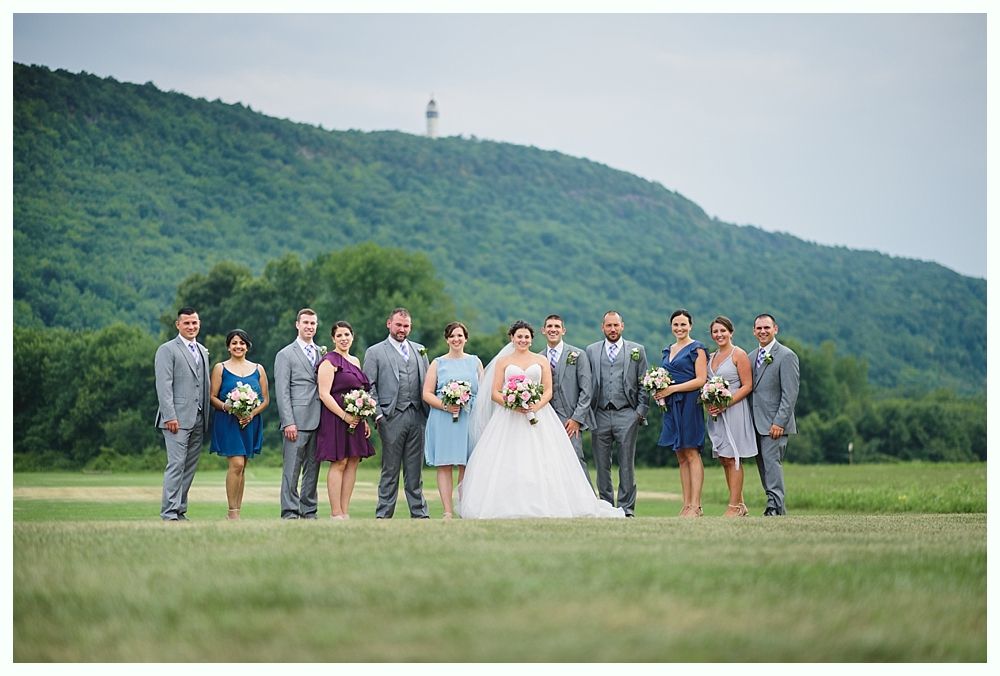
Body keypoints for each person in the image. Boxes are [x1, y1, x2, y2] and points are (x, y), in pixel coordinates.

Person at [460, 321, 624, 519]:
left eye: (526, 337)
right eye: (519, 336)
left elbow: (547, 390)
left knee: (544, 460)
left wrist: (534, 406)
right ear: (512, 338)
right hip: (509, 416)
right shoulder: (503, 362)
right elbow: (495, 392)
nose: (523, 340)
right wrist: (513, 403)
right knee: (509, 459)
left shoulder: (541, 359)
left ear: (531, 339)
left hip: (539, 414)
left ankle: (547, 503)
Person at [363, 307, 431, 519]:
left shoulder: (420, 350)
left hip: (418, 415)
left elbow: (428, 382)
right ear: (389, 324)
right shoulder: (375, 352)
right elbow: (368, 386)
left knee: (415, 471)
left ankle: (419, 514)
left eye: (406, 326)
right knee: (390, 469)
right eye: (399, 325)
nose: (402, 329)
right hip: (391, 417)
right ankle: (384, 514)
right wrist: (379, 415)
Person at [585, 311, 649, 517]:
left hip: (627, 413)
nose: (612, 329)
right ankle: (605, 507)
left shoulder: (637, 350)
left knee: (626, 464)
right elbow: (586, 382)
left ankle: (626, 509)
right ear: (602, 327)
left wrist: (640, 411)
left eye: (616, 325)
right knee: (602, 465)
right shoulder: (591, 350)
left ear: (622, 326)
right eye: (608, 326)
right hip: (600, 414)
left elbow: (644, 382)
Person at [422, 321, 484, 519]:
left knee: (467, 464)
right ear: (446, 339)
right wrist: (446, 405)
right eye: (452, 336)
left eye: (460, 335)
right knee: (445, 464)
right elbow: (427, 393)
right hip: (443, 418)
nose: (456, 339)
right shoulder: (437, 363)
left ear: (466, 338)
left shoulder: (475, 362)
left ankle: (464, 508)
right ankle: (447, 510)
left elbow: (482, 394)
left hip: (469, 417)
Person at [154, 306, 211, 521]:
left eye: (194, 322)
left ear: (199, 324)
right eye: (186, 323)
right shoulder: (167, 350)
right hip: (176, 419)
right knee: (176, 465)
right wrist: (170, 416)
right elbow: (164, 385)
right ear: (178, 324)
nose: (191, 326)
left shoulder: (203, 351)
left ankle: (179, 510)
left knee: (189, 467)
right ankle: (169, 513)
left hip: (198, 418)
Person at [316, 321, 376, 520]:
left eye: (347, 335)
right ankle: (335, 513)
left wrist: (363, 419)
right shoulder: (329, 361)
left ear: (352, 336)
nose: (343, 339)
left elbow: (359, 392)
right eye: (339, 335)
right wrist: (344, 416)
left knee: (352, 462)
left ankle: (345, 511)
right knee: (339, 462)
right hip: (335, 418)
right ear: (333, 339)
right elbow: (324, 394)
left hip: (356, 419)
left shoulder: (355, 361)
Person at [209, 329, 269, 520]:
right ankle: (232, 511)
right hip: (228, 422)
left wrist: (251, 413)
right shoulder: (220, 368)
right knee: (236, 463)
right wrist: (230, 408)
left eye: (242, 343)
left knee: (243, 467)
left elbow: (265, 400)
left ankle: (237, 511)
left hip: (250, 422)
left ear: (247, 346)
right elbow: (211, 397)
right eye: (234, 343)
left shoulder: (258, 369)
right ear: (228, 346)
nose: (238, 346)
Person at [655, 309, 709, 517]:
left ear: (690, 326)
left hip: (689, 403)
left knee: (691, 451)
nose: (679, 328)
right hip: (671, 405)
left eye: (683, 324)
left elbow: (700, 379)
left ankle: (696, 505)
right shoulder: (667, 350)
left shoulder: (698, 349)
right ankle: (686, 504)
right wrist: (659, 391)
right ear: (671, 327)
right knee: (680, 454)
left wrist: (673, 389)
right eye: (676, 325)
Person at [703, 316, 756, 517]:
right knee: (724, 458)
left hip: (734, 410)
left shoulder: (738, 354)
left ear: (730, 332)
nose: (719, 335)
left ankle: (733, 506)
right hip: (716, 414)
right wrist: (709, 403)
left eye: (722, 331)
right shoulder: (711, 357)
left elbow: (747, 386)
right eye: (715, 332)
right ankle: (740, 504)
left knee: (733, 457)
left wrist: (726, 403)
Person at [274, 308, 323, 520]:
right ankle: (290, 511)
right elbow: (282, 391)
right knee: (292, 471)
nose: (309, 327)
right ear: (297, 324)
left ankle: (309, 511)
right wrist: (288, 422)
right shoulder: (285, 354)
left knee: (313, 469)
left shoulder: (322, 353)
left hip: (320, 419)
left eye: (313, 323)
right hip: (296, 420)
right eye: (306, 323)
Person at [750, 313, 800, 516]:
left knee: (772, 465)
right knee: (763, 467)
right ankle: (777, 507)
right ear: (754, 331)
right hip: (755, 423)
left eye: (766, 328)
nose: (763, 331)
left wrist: (779, 421)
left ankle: (774, 507)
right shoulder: (752, 356)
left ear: (775, 329)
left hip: (774, 424)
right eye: (759, 328)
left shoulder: (786, 355)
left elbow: (790, 393)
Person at [539, 314, 595, 485]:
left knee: (576, 458)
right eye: (549, 326)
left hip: (570, 419)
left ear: (563, 330)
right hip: (545, 419)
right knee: (547, 462)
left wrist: (577, 419)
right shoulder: (538, 358)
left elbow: (587, 390)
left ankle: (587, 502)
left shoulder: (578, 354)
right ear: (543, 330)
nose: (553, 329)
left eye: (557, 326)